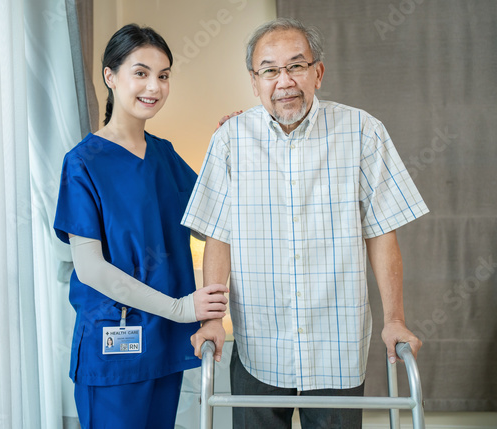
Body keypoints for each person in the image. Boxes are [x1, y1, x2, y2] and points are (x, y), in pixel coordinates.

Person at [182, 18, 428, 429]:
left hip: (338, 344)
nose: (285, 81)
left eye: (296, 66)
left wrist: (395, 319)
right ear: (254, 81)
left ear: (318, 72)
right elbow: (217, 235)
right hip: (258, 344)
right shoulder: (230, 140)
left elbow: (383, 231)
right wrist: (211, 321)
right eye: (270, 70)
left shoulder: (364, 132)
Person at [53, 23, 229, 428]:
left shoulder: (165, 157)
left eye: (164, 75)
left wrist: (228, 149)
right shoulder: (83, 163)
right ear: (110, 77)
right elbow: (90, 268)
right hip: (115, 347)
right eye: (141, 72)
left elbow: (213, 220)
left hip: (165, 344)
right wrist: (180, 308)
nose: (154, 85)